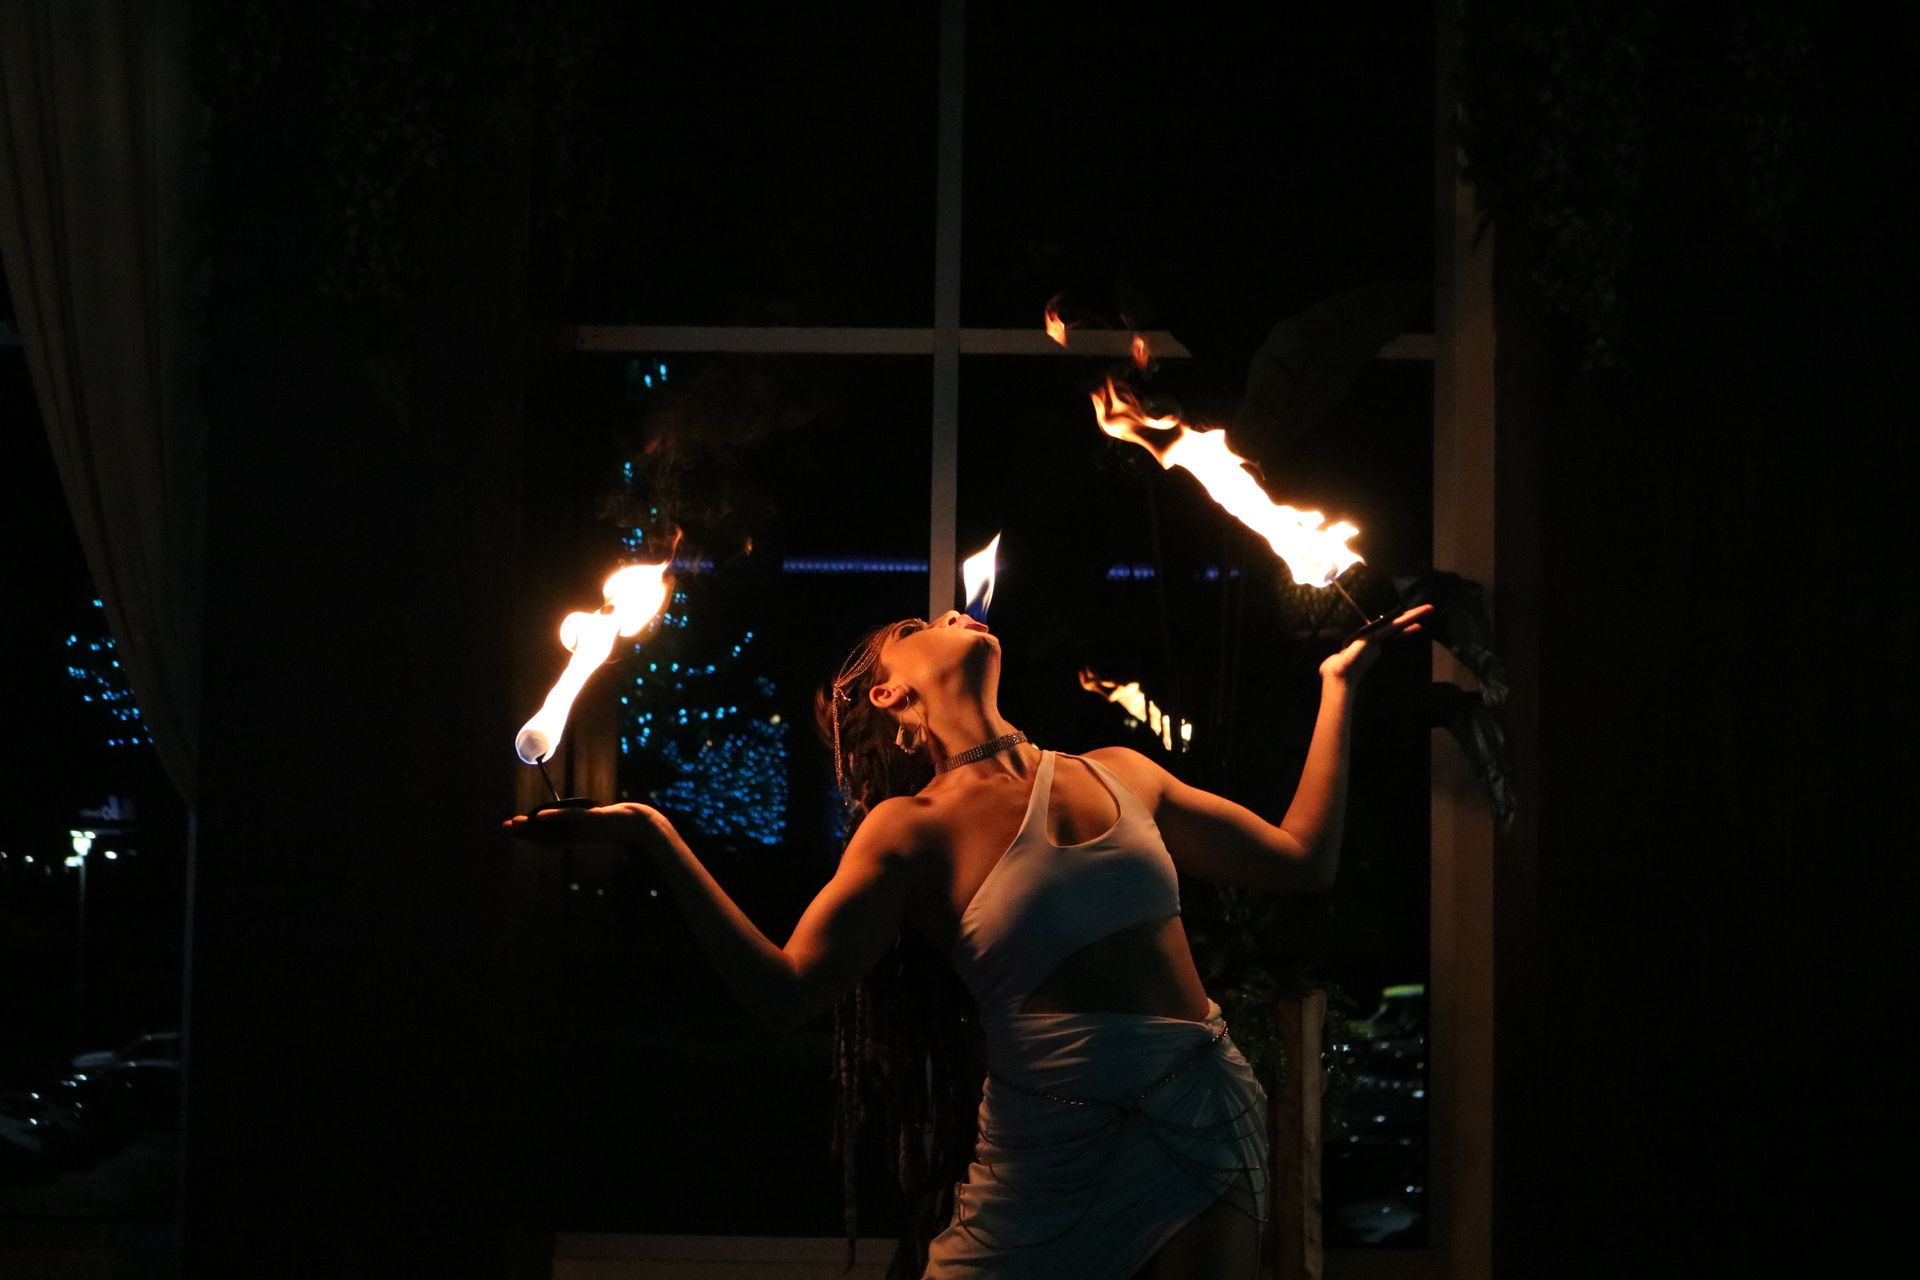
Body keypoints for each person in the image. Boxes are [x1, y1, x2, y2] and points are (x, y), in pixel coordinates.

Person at [505, 602, 1430, 1278]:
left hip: (1196, 1117)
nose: (950, 613)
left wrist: (1338, 687)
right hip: (1043, 1148)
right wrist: (655, 834)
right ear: (890, 692)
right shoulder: (908, 831)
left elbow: (1302, 860)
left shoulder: (1123, 771)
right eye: (916, 626)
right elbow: (784, 994)